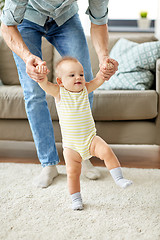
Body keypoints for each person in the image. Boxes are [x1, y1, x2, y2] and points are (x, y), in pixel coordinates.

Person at [1, 0, 118, 188]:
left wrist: (104, 58)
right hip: (26, 18)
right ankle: (49, 164)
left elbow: (99, 21)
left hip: (66, 18)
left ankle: (82, 153)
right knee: (33, 91)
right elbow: (7, 25)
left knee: (82, 83)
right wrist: (27, 56)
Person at [37, 57, 133, 210]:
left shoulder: (85, 89)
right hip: (71, 147)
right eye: (72, 75)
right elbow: (45, 85)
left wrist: (104, 70)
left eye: (81, 74)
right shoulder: (59, 92)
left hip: (90, 139)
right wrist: (41, 77)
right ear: (60, 81)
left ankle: (119, 178)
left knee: (107, 151)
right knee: (73, 173)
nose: (78, 78)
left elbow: (99, 79)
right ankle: (76, 199)